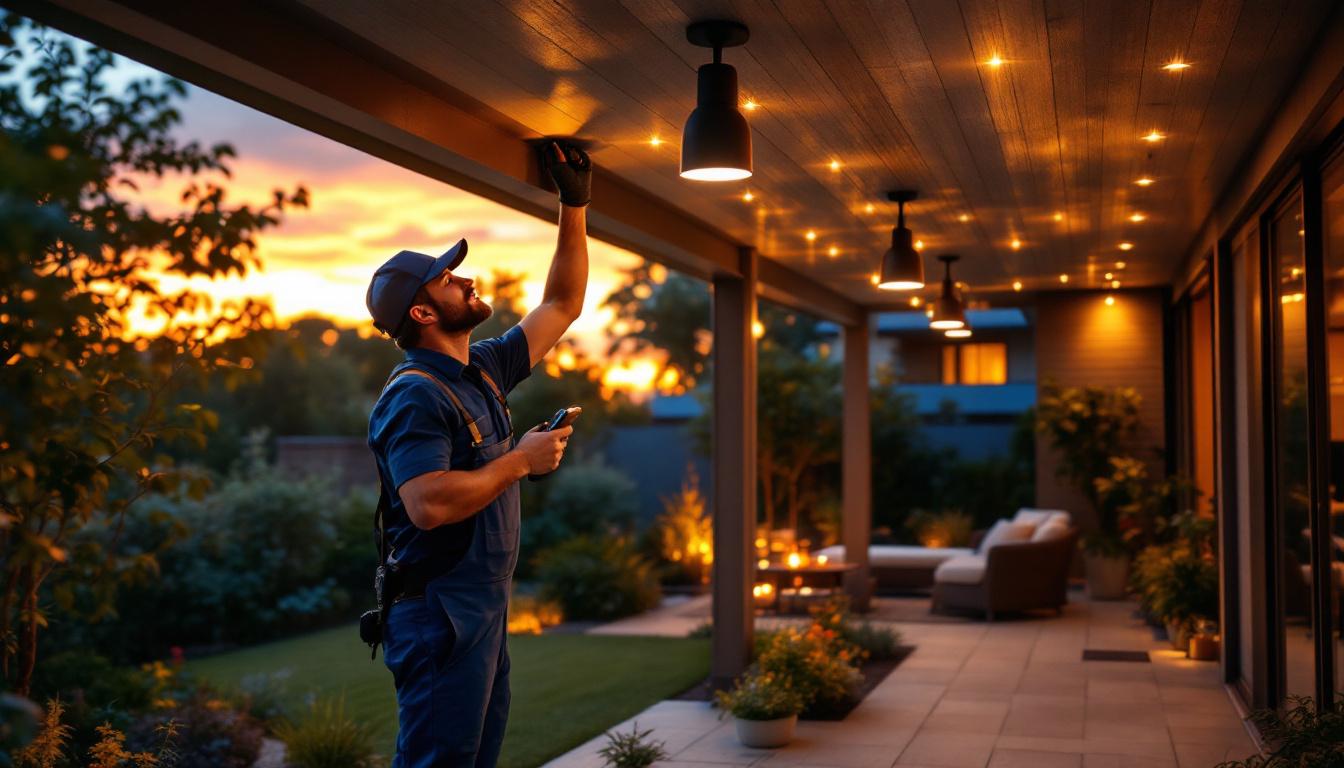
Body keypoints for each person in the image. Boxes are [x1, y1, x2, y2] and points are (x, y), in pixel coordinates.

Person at [364, 140, 591, 767]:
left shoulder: (482, 367)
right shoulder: (414, 397)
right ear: (422, 311)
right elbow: (428, 504)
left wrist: (574, 205)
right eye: (446, 278)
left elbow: (561, 305)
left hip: (482, 606)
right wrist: (520, 460)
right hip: (439, 613)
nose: (464, 278)